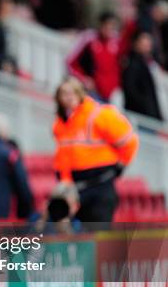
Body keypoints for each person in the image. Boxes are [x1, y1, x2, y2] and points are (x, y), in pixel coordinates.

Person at [53, 77, 139, 222]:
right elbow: (63, 155)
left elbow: (129, 141)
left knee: (99, 233)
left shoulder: (101, 115)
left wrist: (121, 165)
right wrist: (65, 180)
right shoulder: (61, 124)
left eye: (72, 93)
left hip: (100, 184)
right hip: (75, 188)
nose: (68, 98)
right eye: (63, 94)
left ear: (80, 94)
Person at [67, 12, 122, 102]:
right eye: (106, 25)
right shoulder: (89, 39)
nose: (109, 29)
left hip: (109, 94)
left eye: (112, 27)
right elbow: (71, 62)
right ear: (101, 25)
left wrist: (115, 85)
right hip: (92, 91)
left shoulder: (116, 43)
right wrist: (84, 79)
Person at [122, 30, 163, 120]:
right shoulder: (132, 64)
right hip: (141, 118)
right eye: (144, 43)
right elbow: (132, 92)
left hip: (151, 116)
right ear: (135, 43)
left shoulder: (149, 63)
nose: (148, 45)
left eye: (149, 42)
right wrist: (148, 109)